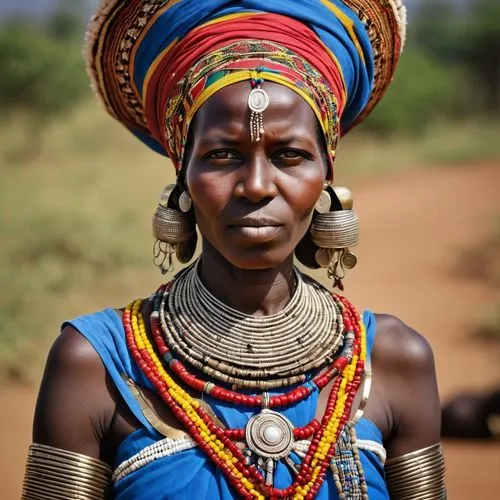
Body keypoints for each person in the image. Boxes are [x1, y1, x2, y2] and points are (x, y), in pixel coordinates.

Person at [22, 1, 447, 499]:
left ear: (326, 176)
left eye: (291, 156)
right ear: (183, 173)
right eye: (223, 155)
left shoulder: (394, 361)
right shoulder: (96, 365)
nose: (257, 185)